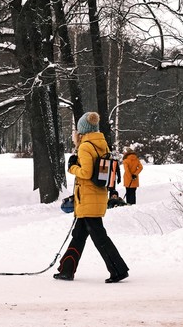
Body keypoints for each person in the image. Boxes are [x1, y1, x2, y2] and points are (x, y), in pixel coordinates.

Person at [54, 111, 130, 283]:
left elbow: (86, 173)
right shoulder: (101, 144)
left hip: (88, 198)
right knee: (79, 235)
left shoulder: (86, 146)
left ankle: (118, 269)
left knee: (99, 236)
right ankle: (66, 269)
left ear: (83, 130)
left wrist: (72, 167)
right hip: (96, 196)